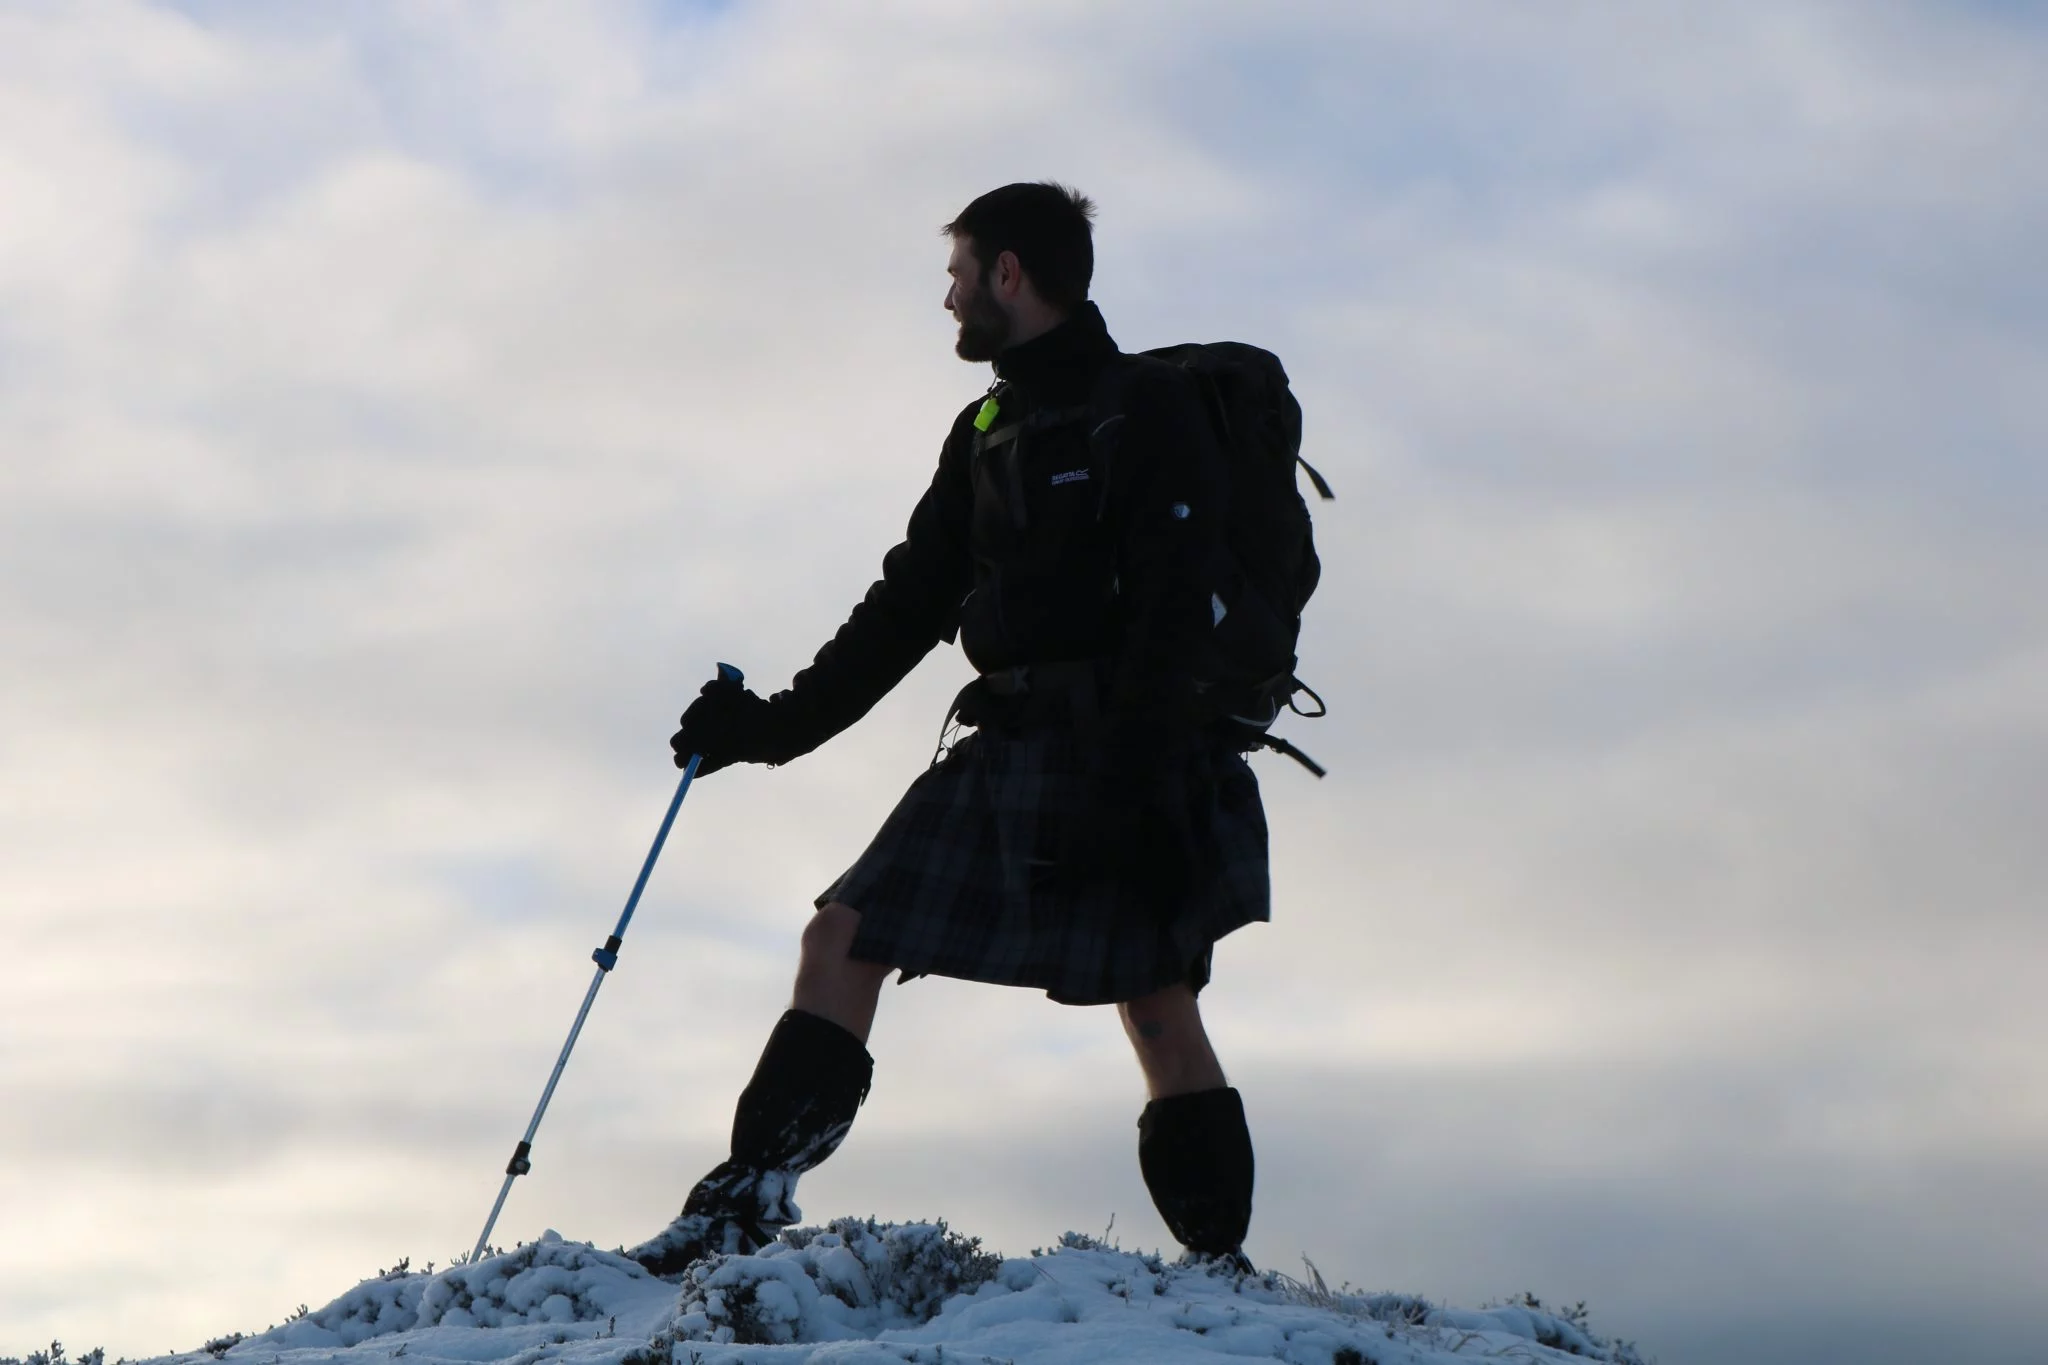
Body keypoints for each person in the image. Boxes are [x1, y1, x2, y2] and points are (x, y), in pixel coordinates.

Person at [627, 182, 1269, 1276]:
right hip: (1012, 745)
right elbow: (907, 606)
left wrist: (1137, 795)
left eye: (958, 274)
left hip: (1137, 753)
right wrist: (771, 728)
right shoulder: (985, 431)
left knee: (1159, 1005)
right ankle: (740, 1205)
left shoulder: (1146, 409)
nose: (949, 298)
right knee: (842, 937)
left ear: (1008, 274)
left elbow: (1172, 612)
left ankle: (1218, 1267)